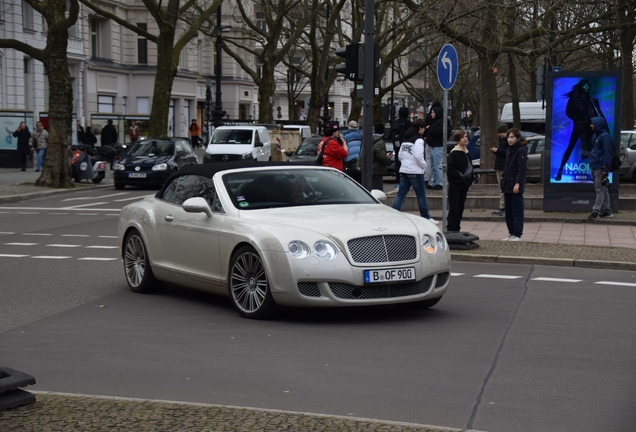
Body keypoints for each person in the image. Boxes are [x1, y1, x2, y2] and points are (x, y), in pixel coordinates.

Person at [555, 79, 604, 181]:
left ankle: (590, 173)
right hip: (578, 126)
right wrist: (577, 119)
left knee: (587, 150)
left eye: (587, 86)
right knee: (572, 148)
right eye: (584, 85)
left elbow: (598, 113)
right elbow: (568, 112)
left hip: (588, 127)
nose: (586, 88)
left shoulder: (591, 100)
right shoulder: (574, 99)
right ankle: (560, 170)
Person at [392, 119, 437, 224]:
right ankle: (425, 217)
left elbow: (399, 156)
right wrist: (424, 165)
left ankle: (393, 214)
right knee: (421, 195)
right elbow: (418, 155)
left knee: (401, 194)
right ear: (420, 128)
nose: (424, 130)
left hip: (404, 170)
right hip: (415, 172)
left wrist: (405, 163)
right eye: (424, 128)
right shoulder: (419, 140)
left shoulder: (405, 140)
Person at [500, 128, 527, 241]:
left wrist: (517, 183)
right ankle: (511, 232)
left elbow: (521, 169)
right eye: (508, 137)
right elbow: (506, 167)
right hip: (507, 183)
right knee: (509, 211)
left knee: (517, 210)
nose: (510, 140)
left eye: (512, 137)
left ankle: (517, 233)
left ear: (517, 138)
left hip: (515, 184)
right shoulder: (509, 150)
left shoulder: (521, 150)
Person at [446, 130, 474, 232]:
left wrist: (469, 180)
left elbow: (470, 168)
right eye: (463, 137)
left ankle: (457, 227)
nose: (465, 139)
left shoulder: (466, 153)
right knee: (454, 208)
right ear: (458, 140)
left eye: (466, 137)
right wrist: (459, 177)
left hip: (464, 186)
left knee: (460, 208)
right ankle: (451, 228)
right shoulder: (454, 154)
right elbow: (450, 169)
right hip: (455, 185)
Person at [588, 117, 614, 219]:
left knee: (599, 189)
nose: (591, 125)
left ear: (598, 124)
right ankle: (607, 210)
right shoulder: (597, 135)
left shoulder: (604, 137)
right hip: (595, 165)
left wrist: (605, 168)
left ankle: (596, 211)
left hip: (599, 166)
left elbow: (607, 153)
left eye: (592, 124)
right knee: (603, 189)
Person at [424, 105, 448, 190]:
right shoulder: (437, 122)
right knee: (434, 165)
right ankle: (434, 182)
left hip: (437, 146)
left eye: (433, 112)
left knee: (437, 165)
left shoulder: (440, 122)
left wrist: (429, 129)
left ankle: (439, 182)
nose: (431, 114)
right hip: (434, 145)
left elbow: (437, 132)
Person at [490, 123, 510, 216]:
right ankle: (503, 206)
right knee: (501, 187)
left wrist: (497, 151)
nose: (499, 135)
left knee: (502, 187)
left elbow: (506, 153)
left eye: (500, 132)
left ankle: (503, 207)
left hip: (502, 166)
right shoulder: (503, 140)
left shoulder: (506, 141)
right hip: (501, 165)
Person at [390, 107, 412, 188]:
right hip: (406, 147)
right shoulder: (408, 123)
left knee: (398, 165)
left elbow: (390, 135)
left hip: (396, 147)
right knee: (406, 164)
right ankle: (406, 182)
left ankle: (398, 182)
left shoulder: (395, 123)